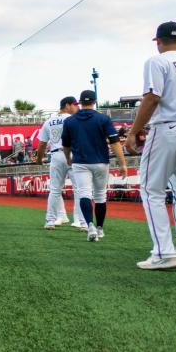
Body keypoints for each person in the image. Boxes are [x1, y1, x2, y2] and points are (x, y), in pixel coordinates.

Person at [125, 21, 176, 270]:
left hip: (168, 129)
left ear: (157, 41)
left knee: (151, 191)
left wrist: (134, 132)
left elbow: (152, 97)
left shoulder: (156, 61)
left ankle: (164, 253)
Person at [62, 89, 129, 242]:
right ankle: (99, 228)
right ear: (94, 102)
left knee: (84, 194)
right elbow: (115, 142)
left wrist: (68, 158)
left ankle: (90, 226)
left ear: (79, 102)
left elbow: (65, 145)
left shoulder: (70, 121)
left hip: (80, 163)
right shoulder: (103, 119)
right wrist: (122, 164)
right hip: (101, 162)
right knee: (100, 196)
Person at [35, 96, 88, 231]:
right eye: (74, 105)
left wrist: (39, 159)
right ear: (67, 105)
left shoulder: (49, 121)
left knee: (55, 190)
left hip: (56, 155)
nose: (77, 107)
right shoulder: (74, 120)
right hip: (72, 154)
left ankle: (50, 221)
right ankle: (81, 222)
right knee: (79, 189)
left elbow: (41, 144)